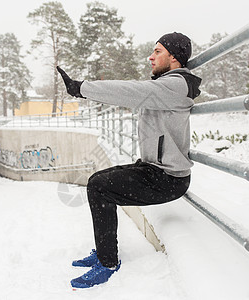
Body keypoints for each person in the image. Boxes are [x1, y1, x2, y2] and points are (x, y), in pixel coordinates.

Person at [57, 32, 202, 289]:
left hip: (168, 178)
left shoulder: (176, 85)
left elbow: (131, 91)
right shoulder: (168, 84)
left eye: (158, 51)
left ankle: (108, 262)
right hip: (156, 169)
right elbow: (137, 92)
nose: (151, 56)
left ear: (175, 57)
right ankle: (104, 251)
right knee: (97, 182)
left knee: (100, 187)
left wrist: (82, 88)